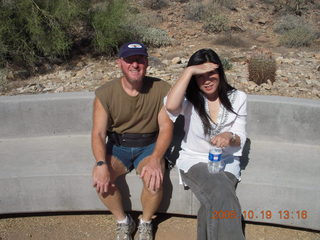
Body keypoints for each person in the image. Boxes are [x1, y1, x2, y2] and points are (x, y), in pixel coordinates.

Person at [91, 42, 173, 240]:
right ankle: (123, 221)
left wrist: (155, 158)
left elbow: (166, 128)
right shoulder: (105, 93)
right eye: (129, 60)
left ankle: (145, 222)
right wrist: (101, 163)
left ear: (146, 62)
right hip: (118, 146)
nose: (135, 65)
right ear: (120, 62)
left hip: (148, 146)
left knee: (154, 180)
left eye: (140, 60)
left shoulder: (161, 89)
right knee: (101, 179)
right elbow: (98, 134)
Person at [165, 48, 247, 240]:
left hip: (227, 160)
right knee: (222, 192)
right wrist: (188, 71)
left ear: (220, 72)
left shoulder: (238, 98)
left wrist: (230, 136)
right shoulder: (188, 99)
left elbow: (240, 137)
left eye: (211, 73)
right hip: (195, 160)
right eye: (200, 75)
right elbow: (170, 106)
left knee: (213, 202)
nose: (207, 80)